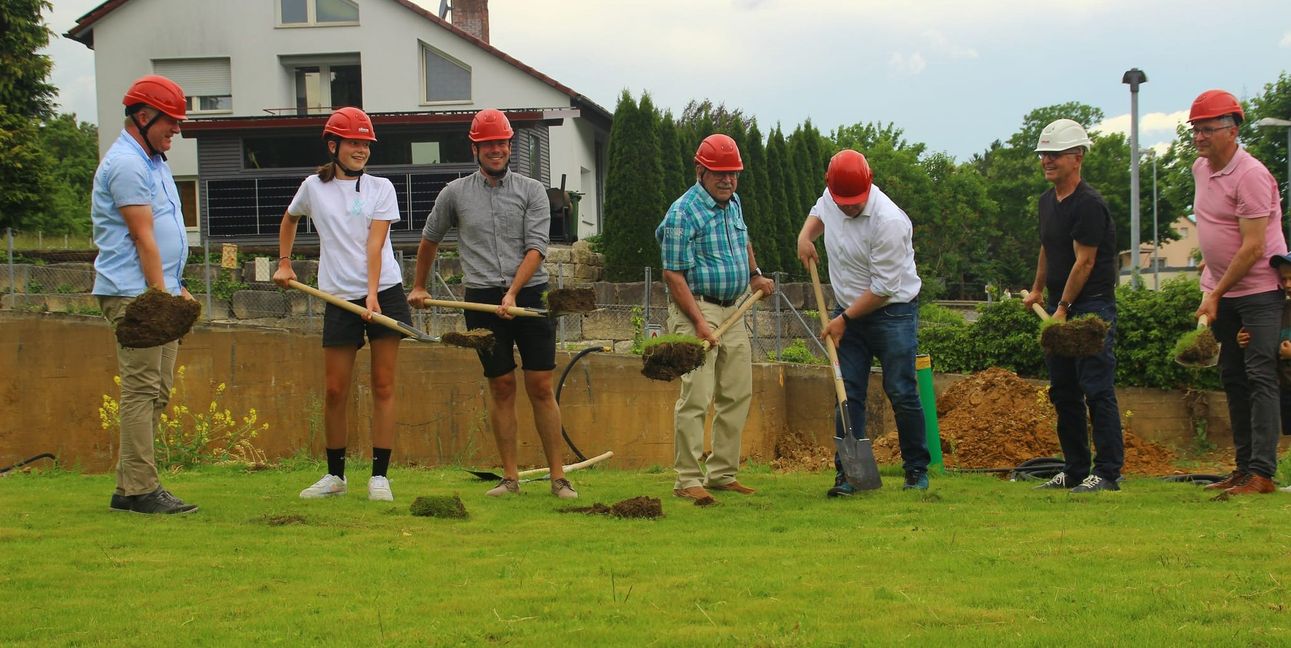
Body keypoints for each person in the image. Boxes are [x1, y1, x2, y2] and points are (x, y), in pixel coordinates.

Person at [406, 109, 577, 499]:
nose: (497, 150)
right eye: (489, 144)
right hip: (481, 300)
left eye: (502, 143)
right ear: (476, 148)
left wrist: (514, 293)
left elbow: (537, 248)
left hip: (530, 295)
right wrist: (418, 286)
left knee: (540, 385)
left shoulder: (532, 191)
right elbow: (430, 238)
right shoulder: (454, 194)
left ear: (509, 146)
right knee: (500, 385)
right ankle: (511, 478)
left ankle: (558, 477)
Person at [273, 107, 411, 502]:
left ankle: (379, 477)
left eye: (365, 144)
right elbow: (289, 220)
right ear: (333, 145)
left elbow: (375, 243)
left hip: (383, 291)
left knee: (383, 385)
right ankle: (335, 477)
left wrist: (371, 294)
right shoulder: (313, 188)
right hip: (337, 296)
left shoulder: (381, 188)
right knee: (335, 389)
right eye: (353, 143)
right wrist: (284, 263)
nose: (361, 150)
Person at [796, 149, 931, 496]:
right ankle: (849, 475)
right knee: (848, 391)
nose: (848, 207)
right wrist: (805, 236)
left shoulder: (889, 221)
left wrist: (844, 319)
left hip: (892, 313)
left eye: (854, 202)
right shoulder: (832, 196)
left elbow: (885, 288)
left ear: (868, 185)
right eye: (843, 202)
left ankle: (916, 470)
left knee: (901, 390)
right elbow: (819, 212)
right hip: (848, 311)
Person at [94, 75, 199, 515]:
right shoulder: (128, 165)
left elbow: (164, 234)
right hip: (135, 296)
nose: (176, 130)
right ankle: (140, 489)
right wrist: (162, 298)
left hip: (156, 291)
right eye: (170, 123)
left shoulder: (153, 161)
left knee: (157, 391)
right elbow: (144, 238)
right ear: (143, 117)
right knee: (141, 390)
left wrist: (176, 288)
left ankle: (130, 485)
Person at [656, 133, 775, 503]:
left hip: (734, 308)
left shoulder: (733, 203)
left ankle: (722, 473)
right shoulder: (682, 213)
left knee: (737, 392)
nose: (727, 180)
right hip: (697, 308)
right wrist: (699, 323)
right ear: (700, 170)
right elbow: (672, 274)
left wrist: (755, 273)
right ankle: (687, 479)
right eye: (719, 173)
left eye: (733, 174)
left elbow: (744, 241)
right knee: (697, 396)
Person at [1189, 89, 1286, 497]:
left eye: (1207, 129)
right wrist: (1208, 276)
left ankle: (1262, 473)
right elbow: (1215, 228)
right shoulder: (1199, 168)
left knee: (1260, 375)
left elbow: (1253, 248)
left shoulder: (1251, 175)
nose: (1199, 137)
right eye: (1195, 129)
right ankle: (1243, 469)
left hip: (1259, 292)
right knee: (1232, 377)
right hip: (1224, 291)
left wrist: (1216, 292)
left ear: (1231, 131)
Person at [1021, 119, 1125, 493]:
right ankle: (1076, 469)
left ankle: (1109, 473)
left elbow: (1085, 262)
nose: (1046, 160)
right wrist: (1037, 292)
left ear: (1077, 157)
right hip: (1058, 306)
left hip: (1091, 309)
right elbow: (1049, 247)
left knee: (1096, 388)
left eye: (1055, 154)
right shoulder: (1047, 203)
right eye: (1043, 155)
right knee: (1063, 391)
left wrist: (1063, 308)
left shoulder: (1089, 205)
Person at [1236, 253, 1291, 493]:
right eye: (1284, 279)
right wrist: (1243, 339)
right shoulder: (1280, 308)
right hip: (1285, 383)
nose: (1287, 284)